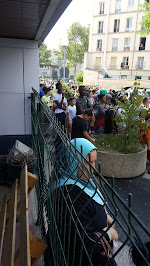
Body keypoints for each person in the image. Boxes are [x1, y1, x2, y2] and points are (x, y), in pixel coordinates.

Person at [51, 138, 118, 265]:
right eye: (87, 162)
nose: (92, 168)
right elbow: (85, 243)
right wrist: (110, 234)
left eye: (94, 161)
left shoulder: (78, 180)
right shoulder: (68, 193)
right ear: (72, 161)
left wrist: (105, 215)